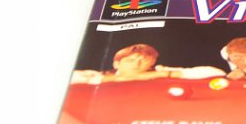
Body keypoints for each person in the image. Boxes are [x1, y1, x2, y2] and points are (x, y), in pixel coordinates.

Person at [71, 43, 226, 84]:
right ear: (117, 64)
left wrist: (167, 74)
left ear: (151, 63)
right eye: (130, 60)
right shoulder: (95, 75)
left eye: (144, 60)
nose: (137, 64)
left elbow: (216, 72)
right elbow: (73, 78)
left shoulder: (160, 70)